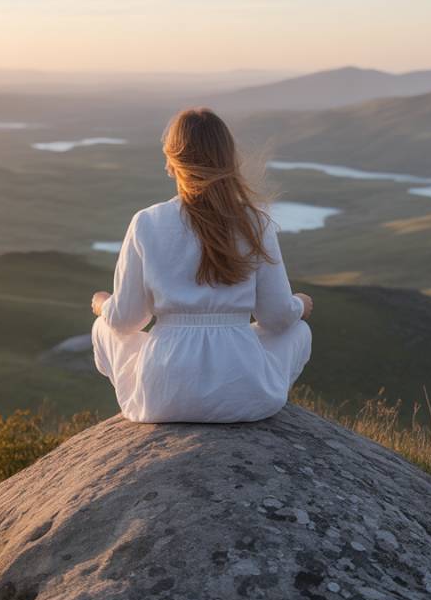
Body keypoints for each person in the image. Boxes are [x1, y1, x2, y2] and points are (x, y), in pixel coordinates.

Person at [90, 107, 313, 423]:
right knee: (297, 329)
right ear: (228, 160)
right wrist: (300, 305)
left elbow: (127, 321)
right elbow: (276, 318)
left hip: (163, 395)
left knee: (105, 326)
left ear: (172, 163)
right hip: (244, 395)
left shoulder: (147, 223)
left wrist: (102, 304)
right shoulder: (254, 223)